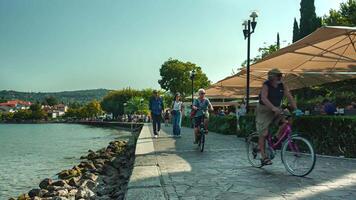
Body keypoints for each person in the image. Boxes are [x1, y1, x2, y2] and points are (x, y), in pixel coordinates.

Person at [256, 68, 297, 165]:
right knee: (263, 133)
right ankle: (263, 156)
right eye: (278, 76)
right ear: (271, 77)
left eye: (280, 75)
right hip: (264, 110)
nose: (280, 77)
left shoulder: (282, 85)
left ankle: (276, 137)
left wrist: (296, 108)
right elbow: (264, 98)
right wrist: (273, 108)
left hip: (276, 108)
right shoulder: (266, 85)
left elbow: (289, 96)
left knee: (288, 119)